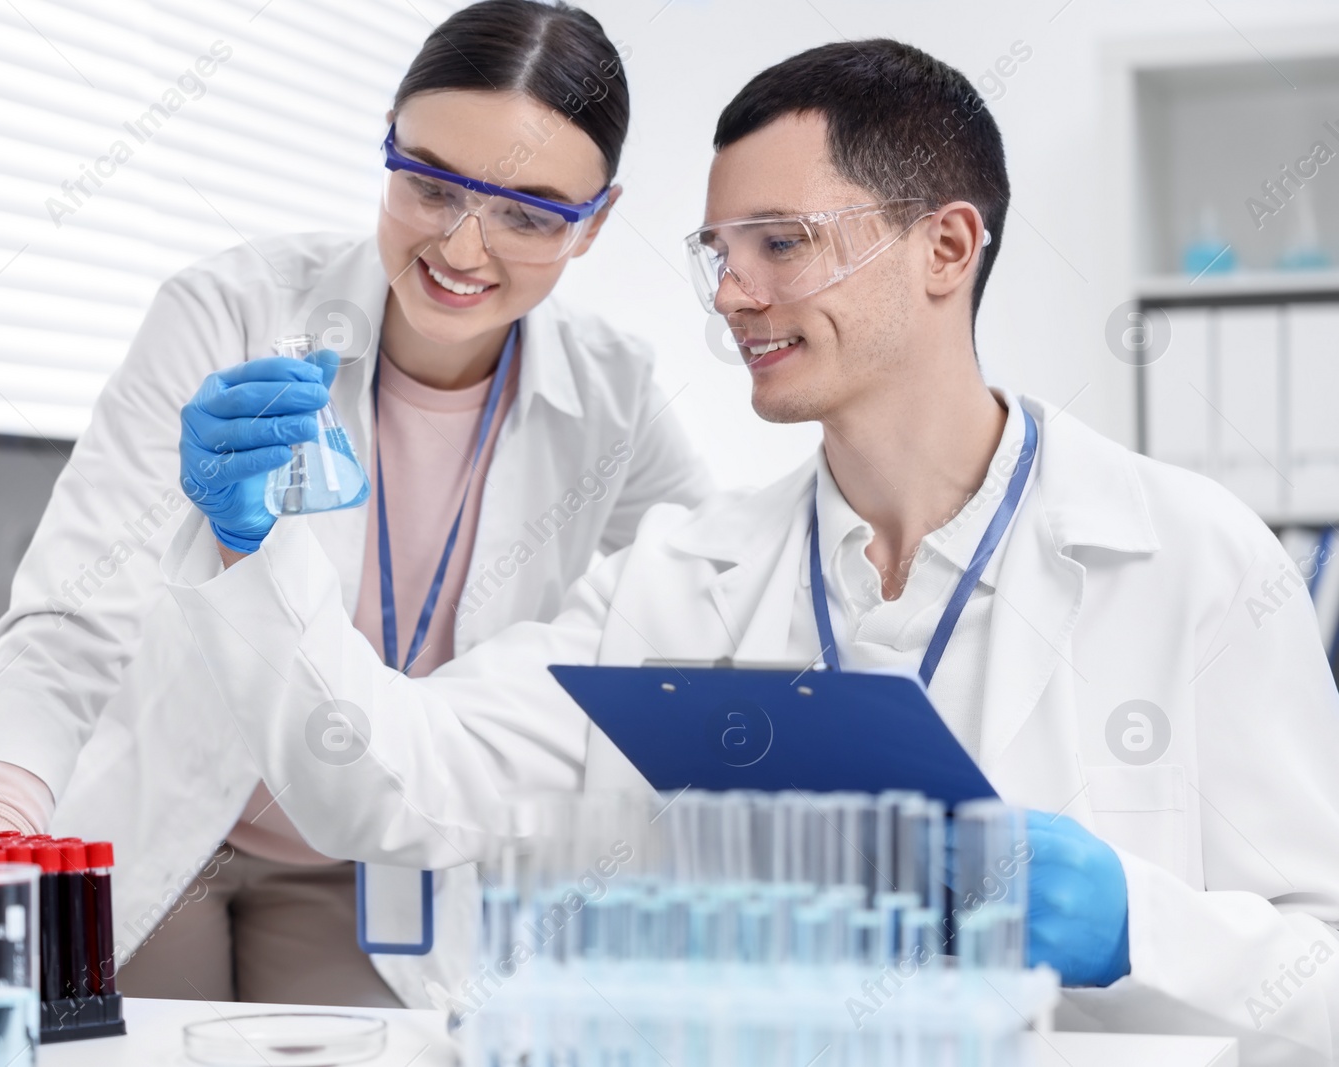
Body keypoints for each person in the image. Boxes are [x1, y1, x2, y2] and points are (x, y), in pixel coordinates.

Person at [148, 37, 1339, 1064]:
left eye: (780, 243)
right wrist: (252, 547)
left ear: (946, 247)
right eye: (720, 249)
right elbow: (384, 781)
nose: (731, 294)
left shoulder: (1190, 559)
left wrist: (1138, 919)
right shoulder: (679, 577)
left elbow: (1323, 977)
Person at [0, 0, 711, 1008]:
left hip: (379, 860)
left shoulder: (614, 396)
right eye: (430, 185)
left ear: (595, 220)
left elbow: (709, 604)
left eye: (527, 213)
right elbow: (78, 606)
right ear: (386, 151)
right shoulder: (232, 311)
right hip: (172, 816)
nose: (463, 249)